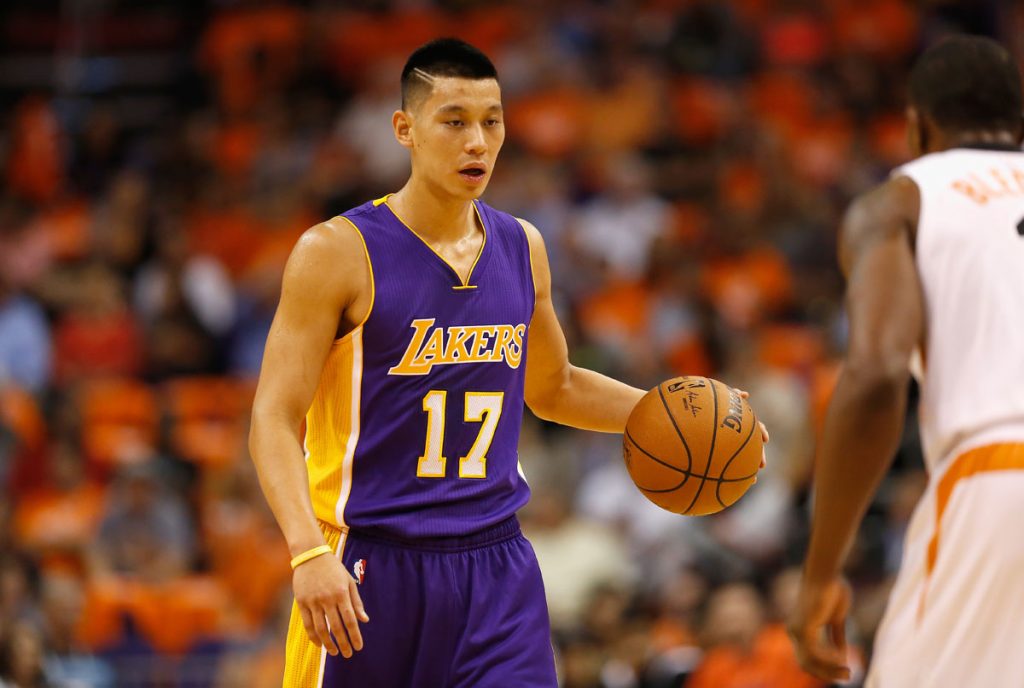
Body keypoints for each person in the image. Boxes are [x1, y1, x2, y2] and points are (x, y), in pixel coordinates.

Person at [250, 38, 769, 687]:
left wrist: (681, 416)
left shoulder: (522, 246)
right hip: (368, 563)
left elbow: (554, 386)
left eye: (492, 121)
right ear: (404, 130)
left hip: (495, 566)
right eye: (455, 121)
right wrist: (306, 553)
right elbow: (272, 416)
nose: (478, 142)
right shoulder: (336, 251)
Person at [787, 35, 1024, 687]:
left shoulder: (903, 199)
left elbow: (876, 372)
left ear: (918, 127)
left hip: (1000, 475)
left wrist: (821, 572)